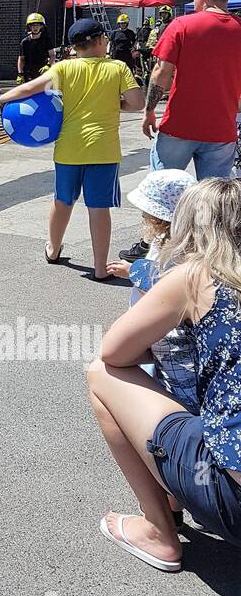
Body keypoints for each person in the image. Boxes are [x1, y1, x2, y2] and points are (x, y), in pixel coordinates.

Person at [88, 178, 241, 570]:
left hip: (231, 498)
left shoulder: (197, 276)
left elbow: (115, 352)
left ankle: (158, 530)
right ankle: (173, 485)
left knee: (102, 374)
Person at [0, 17, 145, 279]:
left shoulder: (63, 69)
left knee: (62, 201)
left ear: (75, 47)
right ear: (99, 41)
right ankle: (99, 267)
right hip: (103, 150)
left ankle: (53, 249)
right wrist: (115, 104)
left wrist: (3, 98)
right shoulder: (118, 68)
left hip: (69, 149)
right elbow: (137, 102)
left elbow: (30, 88)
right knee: (98, 208)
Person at [106, 169, 198, 411]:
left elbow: (162, 288)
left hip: (162, 332)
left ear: (160, 217)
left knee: (158, 377)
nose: (143, 215)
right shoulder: (174, 241)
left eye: (147, 211)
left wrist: (133, 271)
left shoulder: (177, 250)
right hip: (156, 329)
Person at [142, 0, 241, 180]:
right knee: (213, 203)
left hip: (179, 126)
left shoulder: (182, 25)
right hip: (221, 130)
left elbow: (161, 73)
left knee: (162, 195)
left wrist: (149, 110)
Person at [17, 12, 53, 84]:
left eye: (37, 25)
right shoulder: (24, 42)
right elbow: (21, 59)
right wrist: (20, 74)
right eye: (33, 25)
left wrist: (48, 65)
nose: (35, 28)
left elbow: (52, 55)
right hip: (29, 73)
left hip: (43, 71)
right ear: (29, 27)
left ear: (41, 26)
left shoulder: (46, 40)